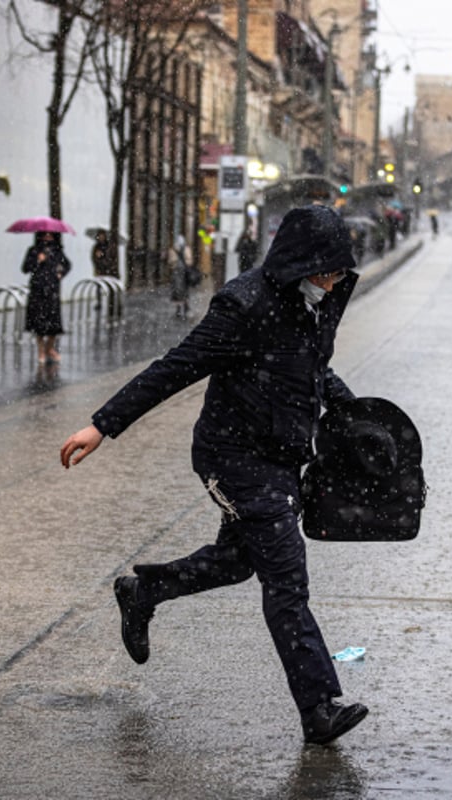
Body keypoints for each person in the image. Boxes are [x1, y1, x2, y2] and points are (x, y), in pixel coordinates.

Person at [59, 205, 369, 746]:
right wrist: (102, 425)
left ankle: (144, 591)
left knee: (235, 564)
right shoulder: (245, 305)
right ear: (300, 262)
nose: (333, 280)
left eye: (339, 270)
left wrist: (358, 416)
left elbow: (313, 369)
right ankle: (319, 708)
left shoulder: (308, 304)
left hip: (277, 456)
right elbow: (176, 366)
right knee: (286, 578)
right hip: (232, 457)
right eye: (326, 269)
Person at [21, 231, 70, 365]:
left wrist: (61, 273)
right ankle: (41, 351)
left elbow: (66, 265)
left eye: (50, 234)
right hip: (38, 290)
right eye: (45, 234)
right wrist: (38, 260)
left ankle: (49, 348)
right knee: (39, 324)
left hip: (52, 290)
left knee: (54, 323)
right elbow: (25, 268)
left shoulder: (57, 251)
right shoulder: (33, 251)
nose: (47, 237)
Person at [169, 234, 193, 319]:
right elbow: (190, 261)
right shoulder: (186, 249)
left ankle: (179, 309)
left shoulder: (173, 250)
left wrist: (175, 265)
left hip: (177, 274)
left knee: (177, 291)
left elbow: (171, 262)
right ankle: (186, 308)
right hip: (184, 273)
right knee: (185, 291)